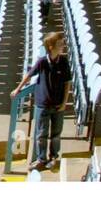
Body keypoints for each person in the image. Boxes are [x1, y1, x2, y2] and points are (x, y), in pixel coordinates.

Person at [13, 31, 70, 171]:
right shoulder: (42, 62)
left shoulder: (63, 61)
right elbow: (29, 75)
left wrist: (64, 103)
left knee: (56, 134)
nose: (62, 45)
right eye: (59, 43)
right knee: (41, 134)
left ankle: (54, 157)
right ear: (50, 46)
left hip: (58, 105)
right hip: (42, 104)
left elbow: (68, 83)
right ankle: (41, 159)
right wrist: (18, 89)